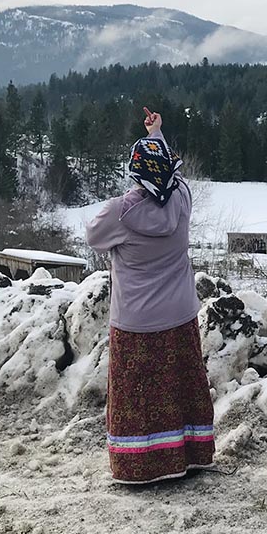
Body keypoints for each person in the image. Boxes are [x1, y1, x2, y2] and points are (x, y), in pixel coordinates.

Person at [86, 108, 214, 484]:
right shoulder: (183, 201)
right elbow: (172, 178)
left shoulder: (119, 213)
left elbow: (94, 236)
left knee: (139, 395)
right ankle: (189, 456)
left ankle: (140, 467)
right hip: (179, 313)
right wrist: (158, 135)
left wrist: (148, 152)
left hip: (136, 320)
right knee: (180, 385)